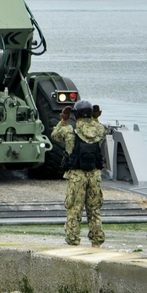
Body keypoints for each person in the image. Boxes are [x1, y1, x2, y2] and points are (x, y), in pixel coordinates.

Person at [51, 99, 106, 248]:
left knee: (74, 210)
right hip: (94, 175)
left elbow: (55, 135)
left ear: (76, 114)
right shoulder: (99, 129)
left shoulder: (69, 130)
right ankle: (96, 243)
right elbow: (100, 130)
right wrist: (95, 118)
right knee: (94, 210)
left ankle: (73, 241)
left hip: (76, 176)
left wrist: (63, 120)